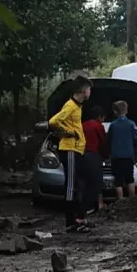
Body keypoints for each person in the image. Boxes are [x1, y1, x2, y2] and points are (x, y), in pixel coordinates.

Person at [48, 75, 92, 233]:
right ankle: (71, 222)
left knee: (86, 180)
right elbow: (54, 122)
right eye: (88, 89)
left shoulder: (77, 107)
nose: (90, 92)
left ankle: (79, 216)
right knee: (71, 185)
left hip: (77, 149)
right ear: (82, 91)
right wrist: (69, 132)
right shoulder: (70, 106)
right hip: (70, 149)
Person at [107, 100, 137, 199]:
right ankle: (132, 199)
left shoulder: (113, 125)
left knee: (118, 181)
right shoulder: (131, 124)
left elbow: (109, 140)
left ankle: (120, 202)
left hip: (116, 157)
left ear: (115, 112)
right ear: (126, 111)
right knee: (130, 179)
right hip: (128, 156)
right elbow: (136, 140)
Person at [82, 106, 107, 213]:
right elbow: (103, 143)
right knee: (97, 180)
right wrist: (106, 155)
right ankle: (99, 204)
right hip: (93, 154)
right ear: (99, 117)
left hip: (82, 154)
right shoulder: (98, 126)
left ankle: (85, 205)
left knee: (85, 180)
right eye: (103, 118)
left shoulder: (83, 125)